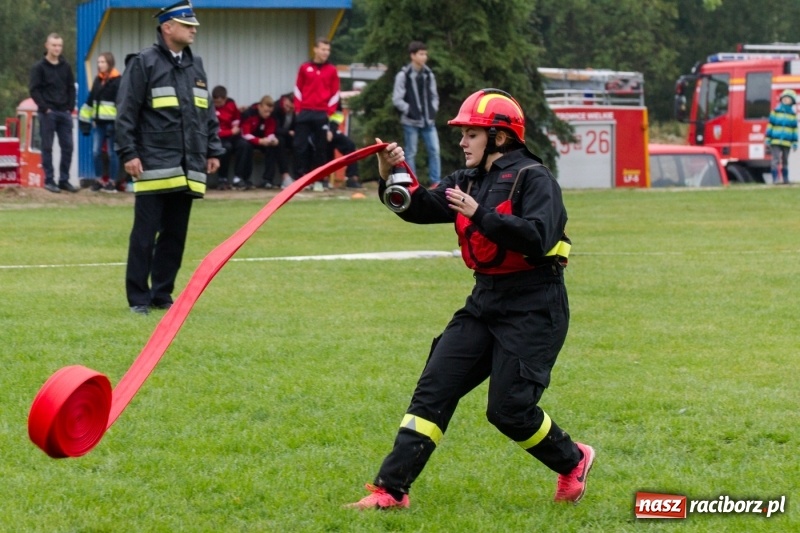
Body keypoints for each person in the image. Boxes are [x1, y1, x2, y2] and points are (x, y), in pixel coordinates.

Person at [348, 89, 593, 510]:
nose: (462, 142)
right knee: (433, 389)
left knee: (508, 410)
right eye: (462, 134)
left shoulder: (535, 178)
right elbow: (417, 206)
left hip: (535, 304)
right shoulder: (468, 179)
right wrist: (391, 175)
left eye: (471, 134)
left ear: (499, 137)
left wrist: (480, 213)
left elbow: (539, 238)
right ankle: (391, 490)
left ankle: (573, 460)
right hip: (485, 301)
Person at [115, 0, 224, 315]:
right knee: (145, 234)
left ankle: (162, 294)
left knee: (175, 234)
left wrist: (213, 149)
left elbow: (207, 114)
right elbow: (126, 113)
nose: (193, 30)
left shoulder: (195, 65)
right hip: (152, 164)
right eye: (188, 25)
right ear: (167, 27)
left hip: (188, 166)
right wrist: (129, 153)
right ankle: (138, 298)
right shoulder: (143, 63)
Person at [29, 33, 77, 194]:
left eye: (59, 45)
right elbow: (34, 90)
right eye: (54, 45)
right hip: (48, 113)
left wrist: (69, 107)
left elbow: (71, 87)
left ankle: (64, 180)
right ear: (47, 46)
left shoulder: (66, 66)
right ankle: (49, 180)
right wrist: (45, 109)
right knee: (47, 147)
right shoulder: (39, 67)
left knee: (68, 147)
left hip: (64, 112)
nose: (57, 48)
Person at [392, 41, 441, 188]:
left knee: (434, 151)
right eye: (421, 54)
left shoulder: (428, 74)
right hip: (410, 121)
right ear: (412, 56)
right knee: (411, 152)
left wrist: (433, 110)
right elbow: (397, 99)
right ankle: (412, 183)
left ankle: (436, 182)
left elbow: (434, 96)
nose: (424, 57)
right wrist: (410, 111)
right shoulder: (403, 75)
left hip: (428, 121)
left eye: (425, 54)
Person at [293, 37, 340, 186]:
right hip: (305, 112)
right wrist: (298, 109)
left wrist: (329, 113)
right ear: (315, 49)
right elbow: (298, 89)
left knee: (321, 147)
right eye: (323, 49)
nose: (326, 52)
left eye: (328, 50)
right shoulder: (304, 67)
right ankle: (300, 177)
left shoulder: (332, 70)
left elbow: (335, 93)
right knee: (300, 145)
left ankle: (319, 179)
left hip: (321, 113)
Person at [79, 52, 121, 193]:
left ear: (109, 63)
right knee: (96, 152)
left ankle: (112, 183)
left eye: (102, 62)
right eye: (98, 62)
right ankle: (98, 181)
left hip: (112, 124)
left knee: (111, 154)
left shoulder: (118, 80)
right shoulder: (98, 79)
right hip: (98, 124)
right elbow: (90, 101)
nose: (100, 65)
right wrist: (85, 122)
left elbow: (121, 104)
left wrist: (117, 123)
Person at [238, 95, 280, 190]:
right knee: (245, 146)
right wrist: (259, 141)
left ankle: (268, 180)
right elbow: (245, 134)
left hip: (263, 140)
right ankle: (242, 178)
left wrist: (273, 139)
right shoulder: (249, 113)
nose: (268, 114)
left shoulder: (272, 116)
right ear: (260, 107)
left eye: (270, 112)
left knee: (273, 147)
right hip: (248, 140)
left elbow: (270, 132)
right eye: (265, 111)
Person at [212, 85, 244, 190]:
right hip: (220, 137)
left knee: (244, 145)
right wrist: (230, 131)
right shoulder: (210, 108)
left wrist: (235, 126)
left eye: (220, 103)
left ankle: (238, 178)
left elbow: (236, 118)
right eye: (215, 102)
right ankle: (222, 178)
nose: (217, 105)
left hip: (232, 135)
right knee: (226, 148)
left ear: (225, 99)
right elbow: (216, 131)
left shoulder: (231, 104)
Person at [765, 89, 798, 184]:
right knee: (775, 160)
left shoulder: (792, 115)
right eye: (785, 98)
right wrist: (768, 138)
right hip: (775, 141)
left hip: (787, 142)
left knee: (785, 160)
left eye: (789, 99)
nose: (786, 100)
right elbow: (770, 125)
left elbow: (794, 130)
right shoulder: (775, 112)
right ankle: (775, 179)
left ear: (792, 101)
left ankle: (785, 179)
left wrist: (795, 143)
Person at [327, 109, 363, 189]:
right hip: (319, 125)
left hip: (331, 126)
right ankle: (320, 180)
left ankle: (351, 178)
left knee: (350, 146)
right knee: (325, 153)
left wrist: (331, 129)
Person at [272, 93, 296, 189]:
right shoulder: (276, 108)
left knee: (299, 144)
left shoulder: (297, 112)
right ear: (285, 100)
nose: (288, 110)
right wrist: (288, 132)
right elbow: (274, 128)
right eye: (287, 106)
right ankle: (285, 176)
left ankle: (300, 176)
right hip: (278, 136)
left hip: (290, 137)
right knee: (280, 142)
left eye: (291, 108)